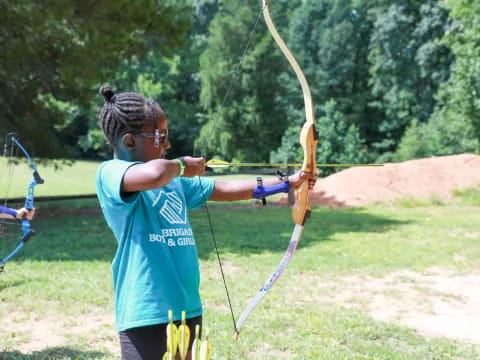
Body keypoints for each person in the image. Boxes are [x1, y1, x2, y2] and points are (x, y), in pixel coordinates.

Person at [95, 85, 316, 360]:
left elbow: (226, 188)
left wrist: (286, 184)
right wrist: (182, 165)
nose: (167, 144)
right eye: (160, 137)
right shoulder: (111, 174)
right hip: (145, 310)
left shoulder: (173, 182)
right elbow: (155, 174)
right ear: (129, 142)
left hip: (186, 306)